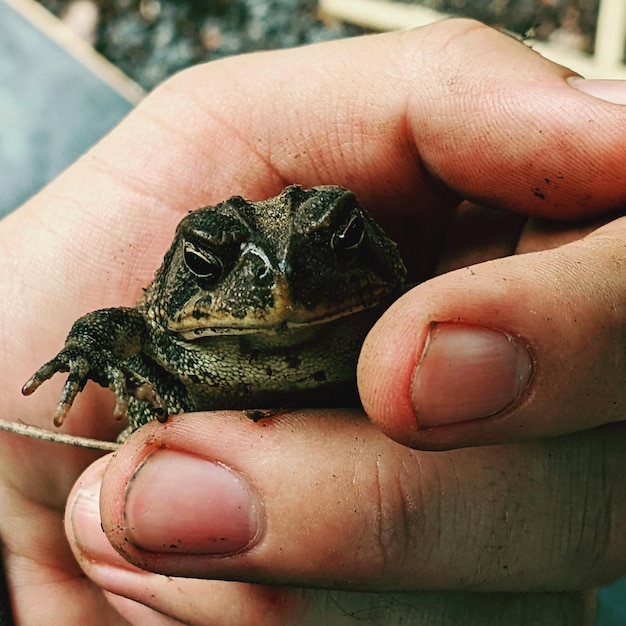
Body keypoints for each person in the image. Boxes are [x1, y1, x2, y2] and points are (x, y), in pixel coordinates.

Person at [1, 19, 625, 625]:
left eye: (341, 238)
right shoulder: (162, 334)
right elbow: (113, 326)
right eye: (206, 259)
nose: (280, 283)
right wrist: (79, 355)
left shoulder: (405, 322)